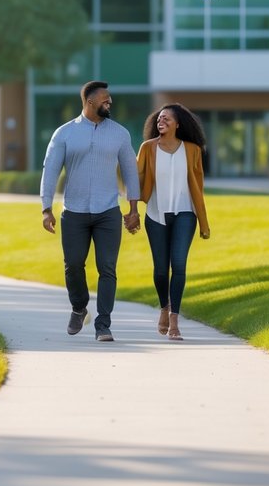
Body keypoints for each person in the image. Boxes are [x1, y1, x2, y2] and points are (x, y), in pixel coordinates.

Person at [40, 80, 140, 342]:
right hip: (74, 211)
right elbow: (50, 170)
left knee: (107, 268)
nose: (110, 103)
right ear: (90, 101)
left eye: (110, 99)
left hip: (108, 210)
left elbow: (130, 171)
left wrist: (133, 208)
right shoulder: (64, 133)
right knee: (73, 265)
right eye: (105, 99)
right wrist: (46, 208)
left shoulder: (120, 134)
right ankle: (79, 306)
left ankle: (103, 324)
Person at [136, 103, 210, 341]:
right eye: (159, 118)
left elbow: (198, 186)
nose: (161, 121)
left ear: (178, 124)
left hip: (185, 213)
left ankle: (175, 320)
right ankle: (164, 308)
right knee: (160, 269)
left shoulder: (192, 150)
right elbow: (137, 179)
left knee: (178, 265)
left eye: (167, 119)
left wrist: (203, 220)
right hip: (156, 214)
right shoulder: (148, 148)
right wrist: (132, 210)